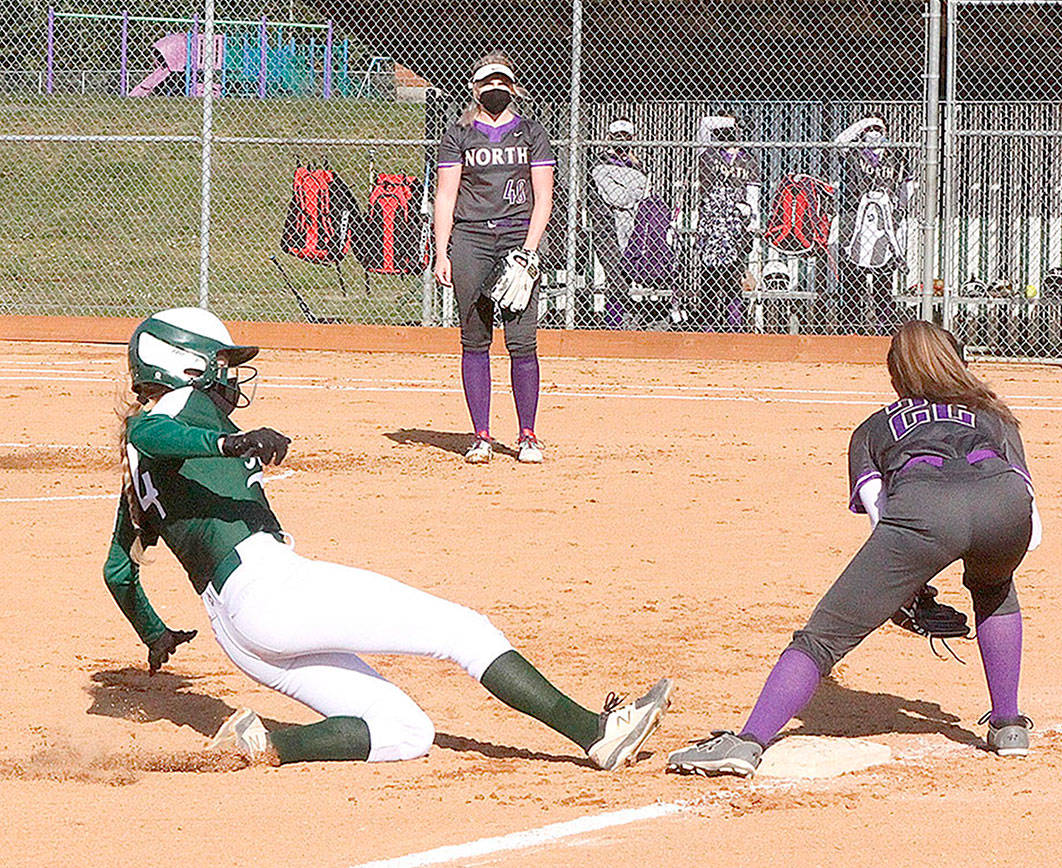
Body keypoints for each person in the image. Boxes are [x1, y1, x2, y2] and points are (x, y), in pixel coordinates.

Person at [105, 307, 672, 768]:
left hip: (235, 629)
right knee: (463, 630)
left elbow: (118, 572)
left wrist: (154, 634)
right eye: (220, 363)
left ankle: (265, 745)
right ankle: (595, 732)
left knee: (405, 731)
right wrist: (231, 445)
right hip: (268, 587)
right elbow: (151, 427)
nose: (230, 376)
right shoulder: (173, 413)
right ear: (181, 365)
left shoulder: (136, 472)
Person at [667, 320, 1041, 777]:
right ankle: (1009, 725)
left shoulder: (874, 429)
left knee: (822, 638)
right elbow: (1033, 525)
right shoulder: (996, 416)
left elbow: (888, 525)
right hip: (1007, 512)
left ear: (895, 375)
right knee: (995, 587)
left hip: (924, 513)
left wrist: (908, 588)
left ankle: (747, 742)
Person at [433, 54, 555, 464]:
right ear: (475, 89)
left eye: (502, 82)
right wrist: (441, 251)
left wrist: (530, 251)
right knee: (475, 339)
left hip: (517, 240)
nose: (495, 90)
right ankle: (481, 436)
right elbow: (446, 196)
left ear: (514, 87)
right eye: (488, 83)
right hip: (471, 241)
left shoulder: (531, 133)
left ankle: (527, 435)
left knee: (522, 341)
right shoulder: (458, 135)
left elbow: (544, 198)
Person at [835, 116, 914, 335]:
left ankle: (883, 330)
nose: (874, 133)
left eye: (878, 129)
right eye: (869, 129)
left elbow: (907, 185)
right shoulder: (854, 152)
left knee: (882, 283)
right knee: (853, 282)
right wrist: (863, 123)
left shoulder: (896, 155)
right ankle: (850, 330)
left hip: (884, 224)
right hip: (855, 222)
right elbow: (839, 142)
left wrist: (901, 209)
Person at [695, 114, 761, 331]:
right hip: (712, 219)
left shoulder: (749, 160)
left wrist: (751, 218)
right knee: (710, 276)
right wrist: (732, 120)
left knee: (734, 276)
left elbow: (753, 194)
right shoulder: (708, 154)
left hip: (735, 223)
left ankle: (734, 325)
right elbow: (705, 123)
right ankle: (709, 325)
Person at [589, 118, 651, 329]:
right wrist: (633, 186)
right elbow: (618, 198)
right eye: (617, 138)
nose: (621, 142)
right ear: (609, 138)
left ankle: (635, 320)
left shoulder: (639, 165)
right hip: (607, 225)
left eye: (625, 138)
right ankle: (613, 323)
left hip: (634, 226)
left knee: (637, 272)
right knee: (617, 275)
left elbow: (644, 192)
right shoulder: (600, 164)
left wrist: (634, 173)